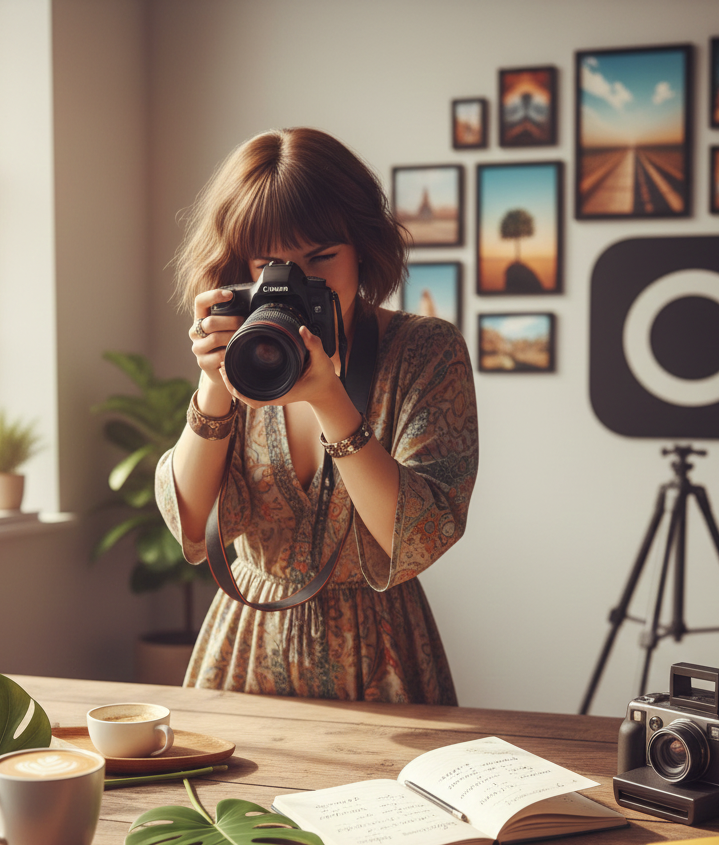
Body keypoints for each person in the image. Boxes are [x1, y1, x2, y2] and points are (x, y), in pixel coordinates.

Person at [155, 127, 478, 704]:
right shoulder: (246, 352)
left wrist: (331, 399)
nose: (298, 281)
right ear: (240, 268)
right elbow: (188, 520)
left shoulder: (426, 351)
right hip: (246, 643)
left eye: (321, 257)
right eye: (271, 264)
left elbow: (421, 538)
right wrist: (214, 383)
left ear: (363, 246)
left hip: (382, 653)